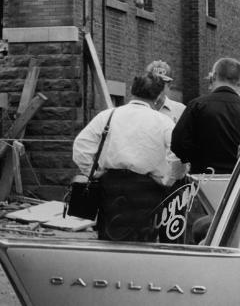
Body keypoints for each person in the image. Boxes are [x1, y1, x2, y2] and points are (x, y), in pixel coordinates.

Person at [73, 74, 185, 241]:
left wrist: (94, 172)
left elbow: (81, 146)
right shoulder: (164, 122)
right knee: (142, 239)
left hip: (110, 185)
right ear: (158, 96)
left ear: (131, 91)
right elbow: (178, 156)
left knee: (108, 236)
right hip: (147, 188)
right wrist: (167, 180)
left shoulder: (107, 116)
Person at [171, 57, 240, 175]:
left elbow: (178, 142)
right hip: (236, 184)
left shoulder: (197, 105)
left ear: (213, 77)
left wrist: (194, 158)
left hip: (202, 178)